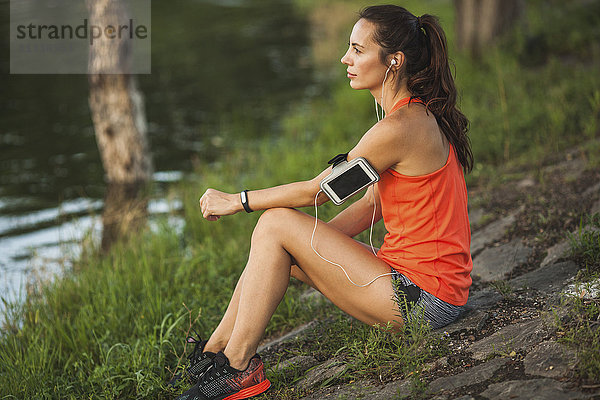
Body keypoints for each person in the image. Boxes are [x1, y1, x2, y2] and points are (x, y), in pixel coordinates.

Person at [173, 4, 473, 400]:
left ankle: (239, 367)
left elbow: (320, 191)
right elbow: (371, 205)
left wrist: (237, 200)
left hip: (424, 299)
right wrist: (308, 245)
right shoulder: (409, 118)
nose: (345, 59)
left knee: (275, 223)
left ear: (393, 61)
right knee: (276, 241)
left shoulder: (400, 128)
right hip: (419, 291)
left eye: (357, 50)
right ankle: (213, 357)